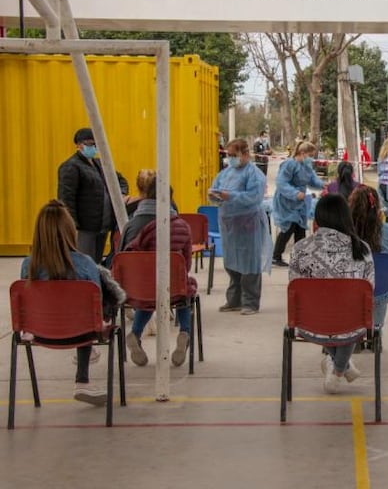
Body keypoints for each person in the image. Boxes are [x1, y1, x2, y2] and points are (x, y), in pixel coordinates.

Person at [20, 200, 126, 405]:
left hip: (39, 333)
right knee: (88, 316)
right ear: (70, 231)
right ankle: (82, 379)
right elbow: (99, 306)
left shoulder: (28, 266)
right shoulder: (85, 263)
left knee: (81, 314)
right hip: (82, 332)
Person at [289, 194, 374, 394]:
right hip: (352, 325)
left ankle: (337, 366)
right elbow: (369, 291)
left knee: (327, 311)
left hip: (309, 325)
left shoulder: (299, 248)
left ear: (317, 218)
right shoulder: (361, 249)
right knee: (345, 316)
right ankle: (339, 370)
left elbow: (294, 289)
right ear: (346, 217)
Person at [119, 177, 197, 367]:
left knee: (149, 293)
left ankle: (136, 333)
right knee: (185, 288)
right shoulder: (181, 226)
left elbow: (121, 256)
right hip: (173, 289)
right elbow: (185, 264)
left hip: (138, 288)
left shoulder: (131, 225)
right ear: (170, 199)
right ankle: (184, 331)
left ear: (145, 196)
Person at [209, 138, 273, 315]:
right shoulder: (225, 173)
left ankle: (251, 302)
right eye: (228, 155)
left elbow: (254, 197)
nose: (230, 159)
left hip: (248, 224)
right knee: (232, 262)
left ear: (245, 154)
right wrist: (214, 195)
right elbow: (215, 188)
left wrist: (230, 196)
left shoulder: (254, 174)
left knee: (249, 264)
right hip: (229, 225)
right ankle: (234, 300)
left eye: (233, 155)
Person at [58, 127, 125, 264]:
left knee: (96, 263)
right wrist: (72, 225)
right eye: (89, 144)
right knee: (84, 263)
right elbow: (66, 199)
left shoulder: (100, 163)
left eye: (96, 144)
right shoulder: (71, 167)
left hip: (102, 225)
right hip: (84, 227)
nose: (93, 147)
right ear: (78, 145)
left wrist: (122, 195)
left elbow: (120, 180)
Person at [349, 185, 388, 342]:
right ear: (378, 208)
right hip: (382, 291)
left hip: (349, 292)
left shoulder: (344, 234)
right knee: (379, 290)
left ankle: (354, 333)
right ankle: (375, 332)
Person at [271, 140, 325, 267]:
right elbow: (281, 182)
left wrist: (323, 185)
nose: (311, 159)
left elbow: (312, 179)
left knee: (300, 227)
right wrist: (294, 193)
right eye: (310, 155)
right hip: (287, 200)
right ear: (302, 153)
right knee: (288, 227)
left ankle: (300, 257)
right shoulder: (289, 164)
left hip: (300, 201)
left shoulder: (306, 166)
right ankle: (276, 255)